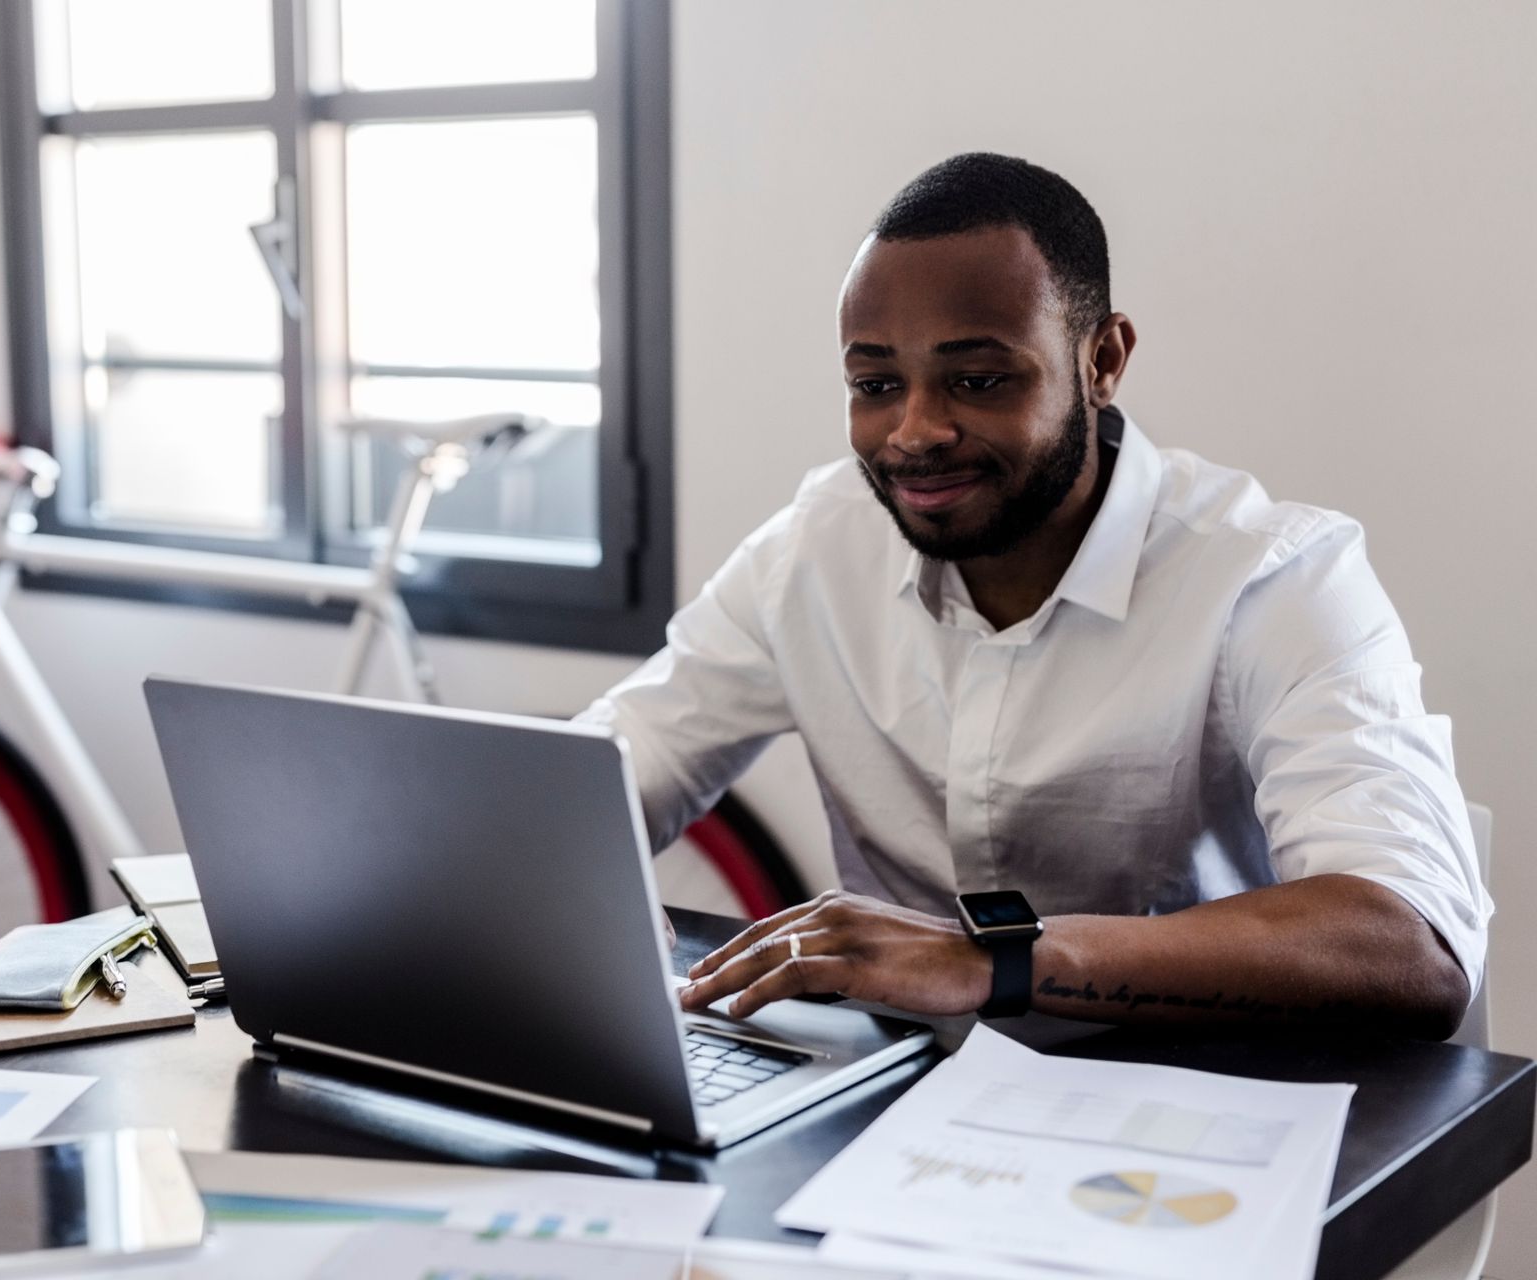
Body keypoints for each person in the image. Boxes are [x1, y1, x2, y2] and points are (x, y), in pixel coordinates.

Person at [581, 153, 1488, 1038]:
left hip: (1193, 1115)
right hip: (898, 1102)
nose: (916, 431)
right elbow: (607, 773)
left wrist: (997, 958)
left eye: (978, 380)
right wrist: (579, 886)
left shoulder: (1272, 576)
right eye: (875, 385)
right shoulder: (817, 549)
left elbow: (1413, 944)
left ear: (1102, 359)